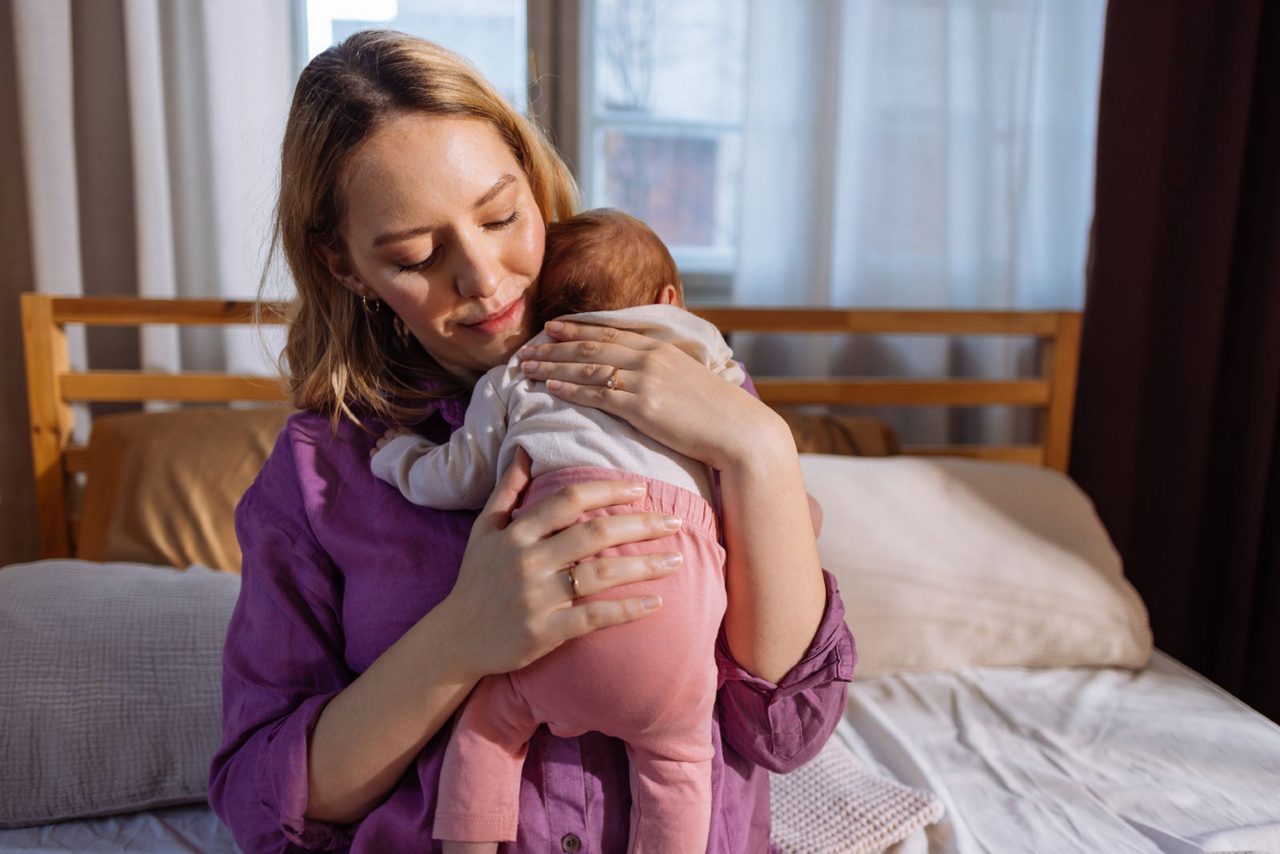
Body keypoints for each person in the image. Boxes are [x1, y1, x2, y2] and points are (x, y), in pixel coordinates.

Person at [208, 29, 855, 854]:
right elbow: (267, 800)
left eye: (502, 216)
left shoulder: (689, 382)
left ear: (534, 180)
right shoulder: (324, 471)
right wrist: (463, 635)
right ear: (346, 268)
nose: (484, 279)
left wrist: (761, 450)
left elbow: (785, 732)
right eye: (415, 255)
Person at [370, 208, 743, 852]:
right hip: (672, 600)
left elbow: (457, 477)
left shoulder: (522, 368)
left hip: (552, 616)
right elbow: (740, 450)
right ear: (669, 301)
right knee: (679, 764)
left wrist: (397, 457)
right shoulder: (698, 354)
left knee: (488, 728)